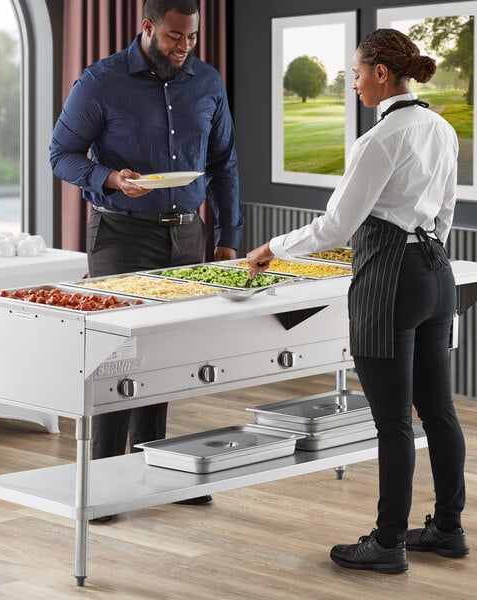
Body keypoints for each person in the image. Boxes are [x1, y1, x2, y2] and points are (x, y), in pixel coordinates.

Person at [247, 28, 469, 573]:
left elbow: (339, 225)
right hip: (437, 274)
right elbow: (445, 212)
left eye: (357, 72)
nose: (353, 83)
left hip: (389, 279)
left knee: (392, 421)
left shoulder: (378, 140)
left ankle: (388, 542)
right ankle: (447, 528)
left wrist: (273, 246)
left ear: (381, 74)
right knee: (438, 410)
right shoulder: (441, 128)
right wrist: (424, 251)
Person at [49, 0, 243, 518]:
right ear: (148, 27)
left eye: (192, 39)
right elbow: (61, 154)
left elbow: (223, 162)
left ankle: (154, 469)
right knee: (117, 355)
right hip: (121, 235)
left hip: (186, 237)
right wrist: (109, 179)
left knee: (163, 356)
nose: (184, 48)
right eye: (175, 38)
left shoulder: (206, 81)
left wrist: (227, 236)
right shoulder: (102, 81)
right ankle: (104, 484)